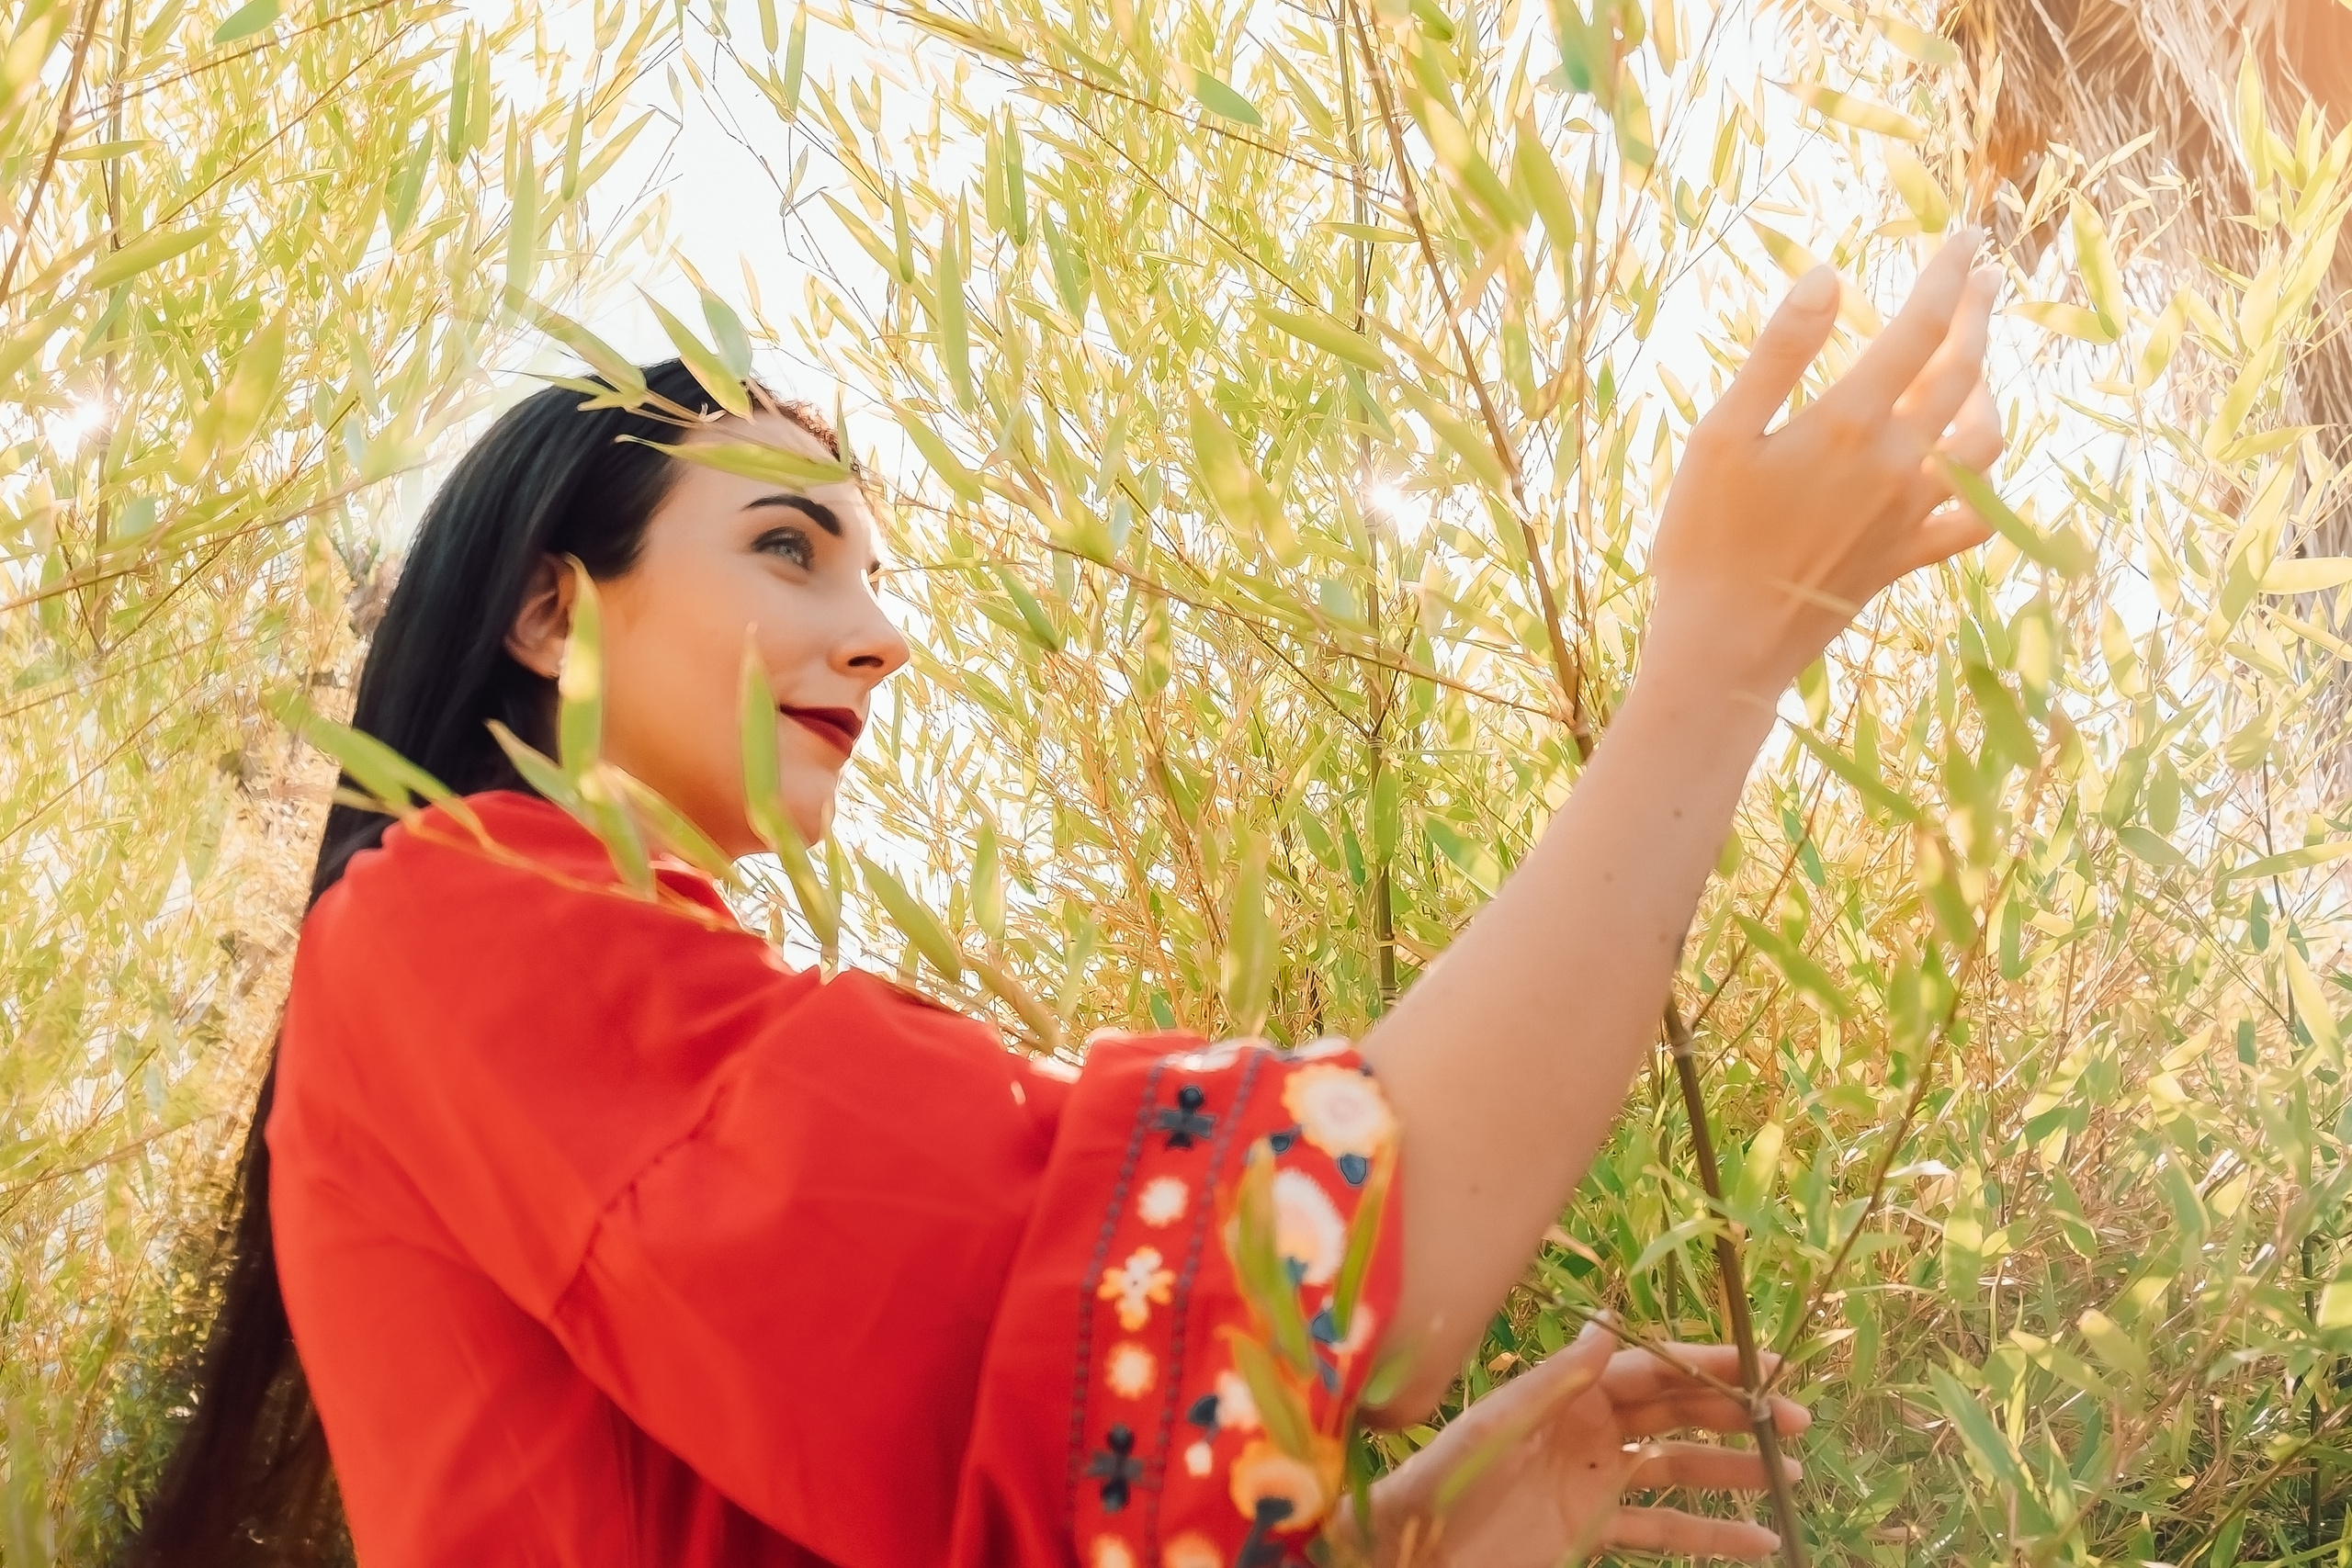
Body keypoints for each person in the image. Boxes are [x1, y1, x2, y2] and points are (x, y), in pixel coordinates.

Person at [134, 229, 2003, 1568]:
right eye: (786, 546)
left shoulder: (592, 1002)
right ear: (552, 607)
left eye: (874, 571)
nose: (879, 636)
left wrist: (1402, 1538)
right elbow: (1266, 1278)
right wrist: (1715, 660)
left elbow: (1029, 1473)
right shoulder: (444, 933)